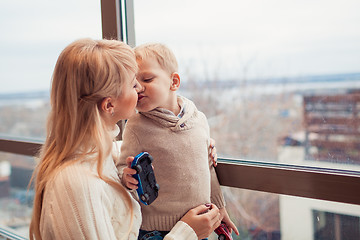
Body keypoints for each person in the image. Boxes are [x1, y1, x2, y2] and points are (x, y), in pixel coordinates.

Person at [29, 38, 221, 240]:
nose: (139, 88)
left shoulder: (95, 155)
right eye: (133, 83)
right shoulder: (77, 184)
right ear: (109, 105)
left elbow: (126, 151)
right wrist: (185, 234)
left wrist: (193, 142)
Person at [117, 43, 239, 239]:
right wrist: (126, 176)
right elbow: (122, 166)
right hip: (155, 231)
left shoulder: (199, 120)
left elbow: (208, 168)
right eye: (132, 83)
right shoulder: (136, 125)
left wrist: (220, 208)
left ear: (174, 82)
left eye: (147, 79)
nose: (138, 87)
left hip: (201, 225)